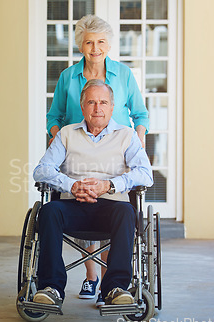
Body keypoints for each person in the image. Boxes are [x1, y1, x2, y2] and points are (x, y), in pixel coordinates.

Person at [46, 15, 150, 304]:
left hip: (117, 154)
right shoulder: (69, 76)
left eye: (101, 42)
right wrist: (58, 136)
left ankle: (110, 282)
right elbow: (54, 116)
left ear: (109, 45)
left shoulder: (123, 74)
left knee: (115, 210)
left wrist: (138, 136)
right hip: (75, 149)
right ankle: (92, 275)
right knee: (73, 201)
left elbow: (140, 114)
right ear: (81, 45)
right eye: (89, 42)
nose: (95, 48)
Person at [32, 79, 153, 307]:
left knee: (127, 212)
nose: (98, 108)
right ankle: (51, 288)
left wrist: (109, 185)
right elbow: (41, 171)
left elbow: (146, 174)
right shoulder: (67, 134)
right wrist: (71, 185)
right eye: (92, 102)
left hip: (111, 205)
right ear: (82, 106)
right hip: (73, 204)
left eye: (103, 102)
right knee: (49, 211)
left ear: (111, 106)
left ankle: (115, 289)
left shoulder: (126, 136)